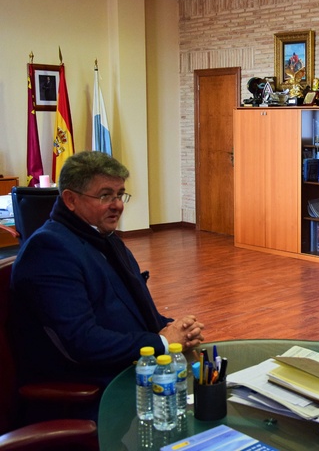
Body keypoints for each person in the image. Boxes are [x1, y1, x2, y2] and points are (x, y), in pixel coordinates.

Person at [10, 151, 205, 410]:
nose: (118, 204)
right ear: (70, 199)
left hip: (131, 367)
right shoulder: (49, 249)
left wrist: (177, 329)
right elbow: (83, 341)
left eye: (120, 194)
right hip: (91, 389)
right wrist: (164, 342)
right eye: (105, 195)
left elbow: (134, 308)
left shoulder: (107, 239)